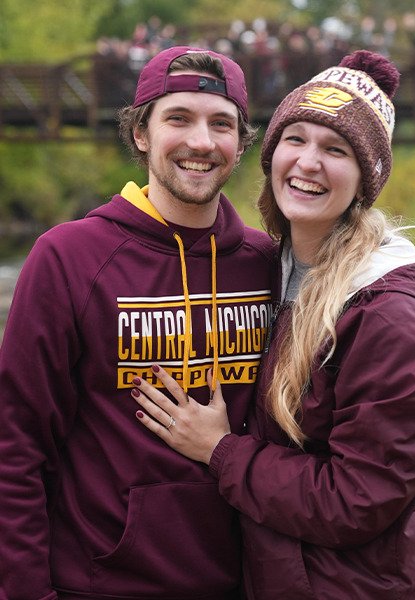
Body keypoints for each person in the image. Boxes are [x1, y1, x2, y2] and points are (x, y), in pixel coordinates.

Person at [131, 50, 415, 599]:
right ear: (271, 152)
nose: (308, 162)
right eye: (296, 139)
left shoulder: (386, 315)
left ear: (365, 179)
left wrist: (220, 451)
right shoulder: (275, 270)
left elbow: (359, 498)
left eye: (336, 150)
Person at [0, 46, 275, 599]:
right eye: (178, 118)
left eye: (221, 124)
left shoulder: (266, 263)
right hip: (99, 581)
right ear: (141, 135)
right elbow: (16, 444)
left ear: (240, 147)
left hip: (239, 582)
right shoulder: (68, 257)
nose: (201, 141)